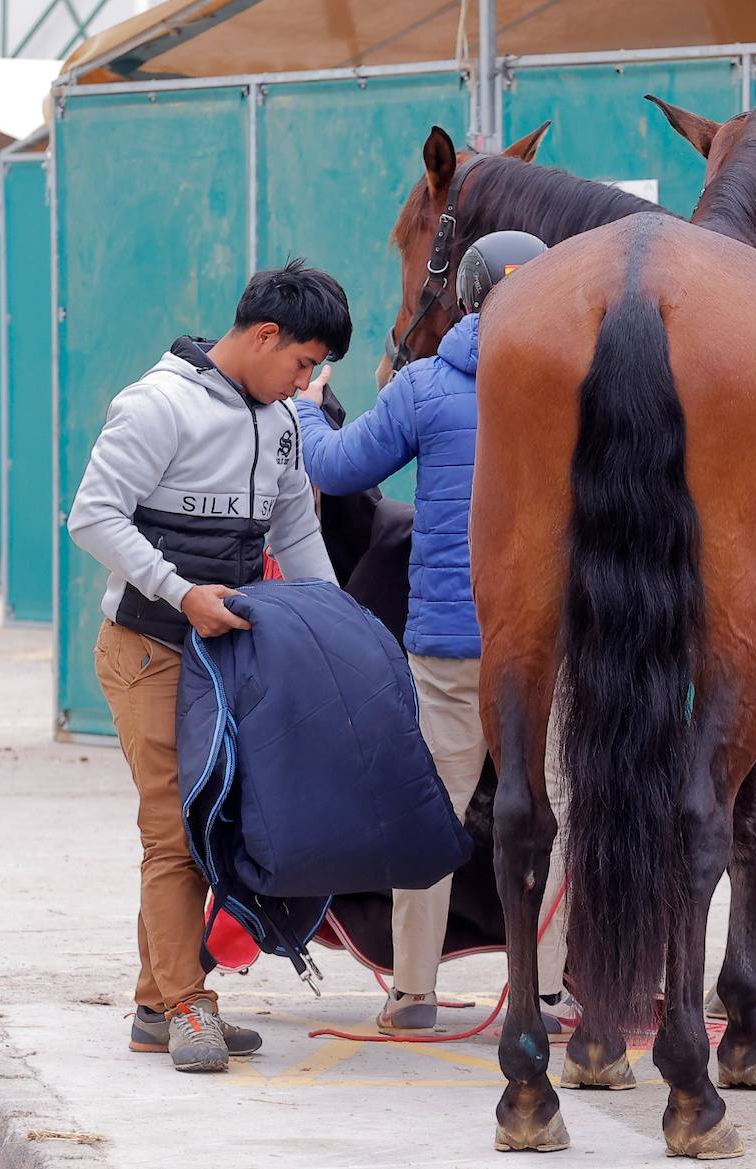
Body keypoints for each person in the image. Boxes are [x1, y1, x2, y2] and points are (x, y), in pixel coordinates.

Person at [68, 260, 351, 1072]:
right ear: (265, 336)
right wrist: (181, 591)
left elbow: (295, 530)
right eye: (302, 362)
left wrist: (338, 627)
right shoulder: (157, 405)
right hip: (148, 647)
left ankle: (156, 1005)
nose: (304, 382)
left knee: (211, 827)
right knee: (175, 828)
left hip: (222, 656)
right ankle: (189, 1004)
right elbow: (92, 515)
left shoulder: (282, 419)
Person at [295, 231, 578, 1036]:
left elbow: (337, 467)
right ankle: (549, 993)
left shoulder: (424, 384)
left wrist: (306, 410)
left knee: (436, 810)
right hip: (550, 643)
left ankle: (413, 992)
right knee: (555, 808)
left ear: (466, 296)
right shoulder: (577, 383)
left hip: (450, 644)